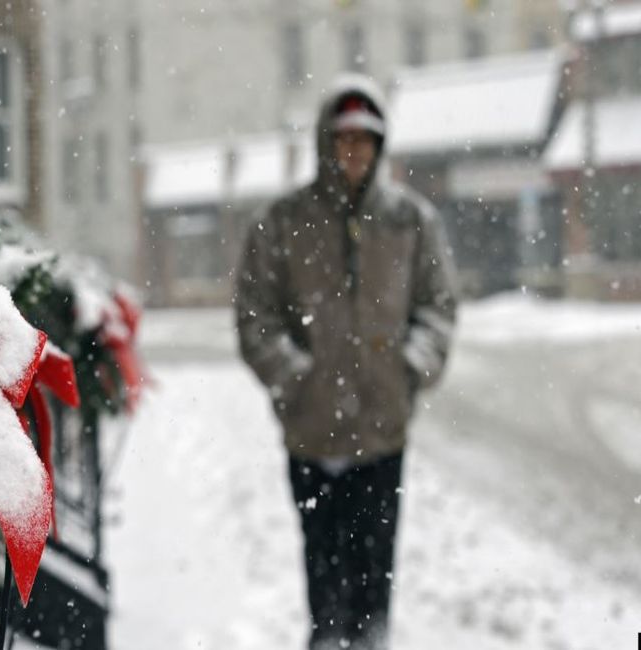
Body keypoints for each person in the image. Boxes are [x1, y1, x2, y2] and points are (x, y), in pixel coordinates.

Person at [235, 74, 458, 649]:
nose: (354, 151)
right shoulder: (283, 221)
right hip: (312, 434)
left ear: (380, 147)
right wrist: (291, 374)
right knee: (324, 570)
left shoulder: (410, 221)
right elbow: (254, 313)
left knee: (374, 573)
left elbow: (438, 305)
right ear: (325, 143)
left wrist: (413, 364)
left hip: (383, 430)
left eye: (366, 140)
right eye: (344, 139)